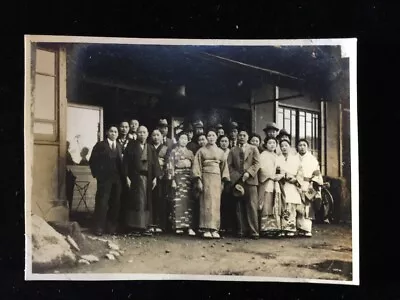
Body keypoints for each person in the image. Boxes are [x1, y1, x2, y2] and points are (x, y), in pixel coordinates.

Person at [123, 126, 162, 236]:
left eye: (144, 132)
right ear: (137, 134)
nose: (142, 134)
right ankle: (135, 227)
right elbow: (125, 162)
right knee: (136, 202)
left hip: (147, 178)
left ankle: (145, 226)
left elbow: (155, 163)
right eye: (140, 132)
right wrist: (126, 177)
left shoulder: (150, 147)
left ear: (147, 134)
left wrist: (155, 177)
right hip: (135, 178)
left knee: (146, 202)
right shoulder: (131, 146)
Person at [192, 129, 230, 239]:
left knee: (216, 204)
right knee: (205, 202)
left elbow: (224, 168)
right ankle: (205, 228)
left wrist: (223, 182)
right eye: (209, 135)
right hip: (205, 177)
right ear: (207, 137)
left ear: (216, 137)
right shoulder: (201, 151)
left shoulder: (220, 152)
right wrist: (198, 180)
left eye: (213, 135)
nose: (211, 137)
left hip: (217, 178)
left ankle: (214, 229)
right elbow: (197, 166)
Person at [89, 126, 124, 236]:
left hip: (116, 180)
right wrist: (97, 175)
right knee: (102, 203)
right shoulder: (100, 145)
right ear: (107, 133)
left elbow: (121, 163)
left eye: (115, 131)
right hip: (104, 180)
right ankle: (99, 228)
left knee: (115, 203)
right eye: (111, 131)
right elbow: (92, 161)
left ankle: (111, 227)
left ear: (117, 134)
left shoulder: (118, 146)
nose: (113, 133)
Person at [227, 130, 261, 239]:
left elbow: (257, 163)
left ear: (248, 137)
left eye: (244, 135)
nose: (242, 137)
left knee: (252, 205)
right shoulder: (233, 150)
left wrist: (249, 173)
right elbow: (229, 166)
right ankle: (241, 230)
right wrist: (237, 176)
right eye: (240, 135)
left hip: (251, 181)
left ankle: (254, 231)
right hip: (238, 181)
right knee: (239, 206)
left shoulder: (253, 149)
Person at [278, 139, 311, 237]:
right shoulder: (278, 158)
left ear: (290, 147)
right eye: (282, 146)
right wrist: (283, 177)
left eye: (286, 145)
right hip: (283, 184)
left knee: (293, 206)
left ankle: (292, 228)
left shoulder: (295, 159)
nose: (284, 147)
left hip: (293, 185)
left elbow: (300, 172)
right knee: (284, 206)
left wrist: (296, 180)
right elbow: (277, 171)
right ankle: (283, 228)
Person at [167, 132, 196, 236]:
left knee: (188, 202)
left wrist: (194, 179)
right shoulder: (174, 152)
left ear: (188, 140)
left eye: (185, 139)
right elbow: (170, 166)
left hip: (188, 178)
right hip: (178, 177)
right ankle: (178, 226)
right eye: (181, 138)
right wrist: (173, 180)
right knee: (178, 202)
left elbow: (194, 167)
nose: (183, 140)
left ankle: (188, 227)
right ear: (178, 140)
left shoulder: (190, 153)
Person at [297, 139, 327, 225]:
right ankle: (297, 227)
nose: (302, 147)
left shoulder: (312, 159)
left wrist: (315, 183)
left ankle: (306, 228)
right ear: (297, 147)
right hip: (297, 184)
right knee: (298, 205)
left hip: (308, 184)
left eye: (304, 145)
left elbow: (317, 172)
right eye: (300, 145)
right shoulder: (294, 158)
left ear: (307, 147)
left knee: (308, 205)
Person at [258, 137, 283, 237]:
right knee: (267, 204)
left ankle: (275, 227)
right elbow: (262, 169)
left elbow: (280, 168)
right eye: (270, 143)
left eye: (274, 143)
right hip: (267, 182)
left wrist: (280, 175)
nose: (272, 145)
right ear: (265, 144)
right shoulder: (263, 155)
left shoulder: (277, 156)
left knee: (275, 203)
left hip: (275, 182)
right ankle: (266, 228)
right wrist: (271, 176)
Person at [150, 129, 170, 233]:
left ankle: (161, 224)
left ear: (162, 137)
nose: (156, 137)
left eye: (158, 135)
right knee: (151, 199)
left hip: (162, 177)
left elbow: (167, 163)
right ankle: (151, 223)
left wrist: (161, 175)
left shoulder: (166, 149)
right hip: (151, 176)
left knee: (161, 199)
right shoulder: (149, 147)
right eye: (154, 135)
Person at [217, 135, 235, 235]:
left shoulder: (231, 152)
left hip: (229, 180)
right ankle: (220, 225)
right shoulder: (217, 152)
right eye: (222, 141)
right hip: (217, 178)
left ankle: (228, 226)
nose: (224, 143)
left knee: (228, 203)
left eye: (226, 141)